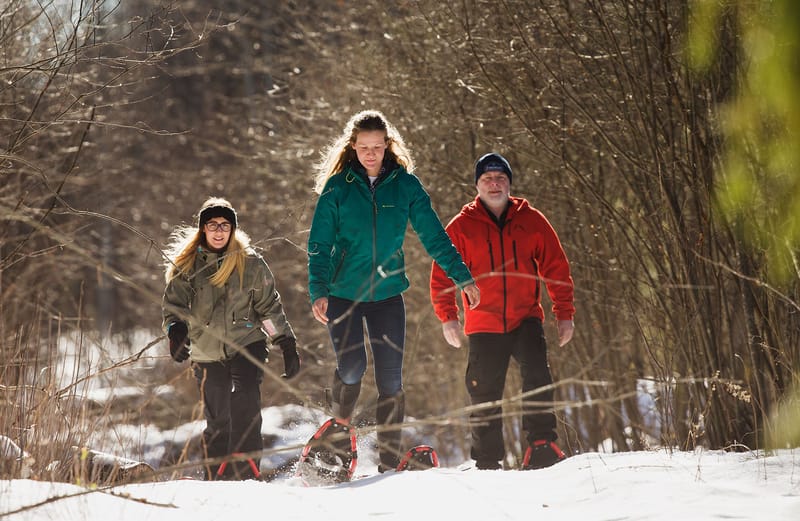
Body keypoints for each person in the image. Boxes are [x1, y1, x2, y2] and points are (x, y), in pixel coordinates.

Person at [307, 110, 481, 473]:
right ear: (352, 147)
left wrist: (462, 277)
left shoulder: (406, 186)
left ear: (387, 146)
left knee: (391, 379)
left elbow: (435, 236)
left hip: (387, 296)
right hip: (344, 293)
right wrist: (318, 289)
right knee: (353, 367)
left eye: (377, 147)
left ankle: (388, 460)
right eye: (364, 147)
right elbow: (319, 244)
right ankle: (338, 434)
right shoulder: (337, 188)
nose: (371, 154)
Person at [430, 152, 575, 470]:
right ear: (477, 185)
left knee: (538, 376)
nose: (494, 184)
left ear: (509, 183)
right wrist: (449, 317)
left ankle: (541, 444)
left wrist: (564, 313)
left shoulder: (531, 219)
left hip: (526, 316)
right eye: (487, 179)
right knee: (483, 390)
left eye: (500, 179)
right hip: (484, 321)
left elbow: (556, 266)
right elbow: (442, 272)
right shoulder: (461, 226)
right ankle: (487, 459)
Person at [162, 197, 301, 480]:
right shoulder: (187, 267)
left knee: (246, 399)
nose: (218, 231)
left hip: (247, 342)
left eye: (225, 225)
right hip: (206, 351)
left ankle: (248, 471)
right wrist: (176, 331)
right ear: (203, 229)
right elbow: (174, 307)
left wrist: (285, 342)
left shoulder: (251, 264)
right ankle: (216, 476)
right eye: (212, 225)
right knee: (218, 420)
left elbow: (268, 309)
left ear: (233, 229)